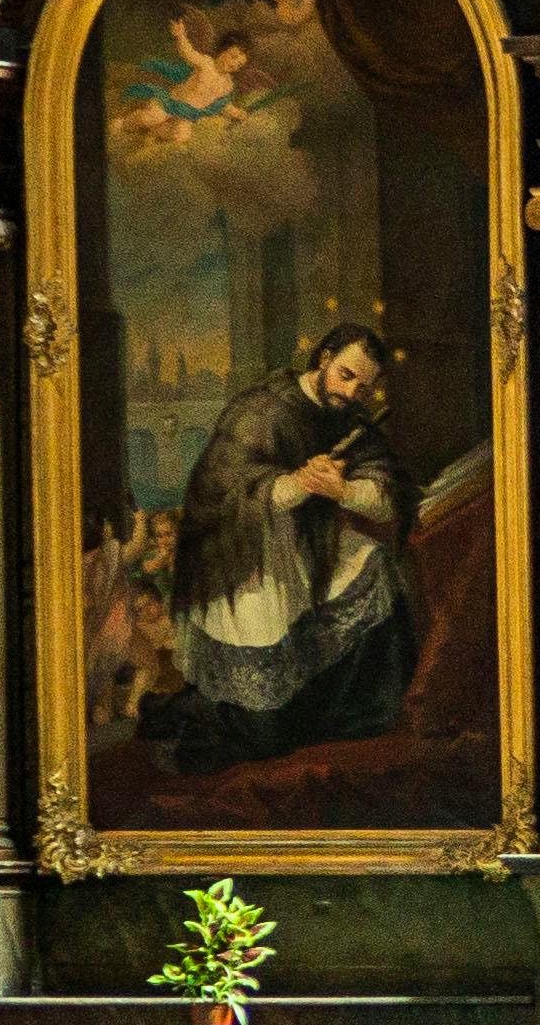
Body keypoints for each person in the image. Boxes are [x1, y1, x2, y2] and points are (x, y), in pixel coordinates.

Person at [147, 316, 419, 773]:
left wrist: (344, 491)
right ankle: (191, 711)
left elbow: (386, 493)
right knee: (262, 733)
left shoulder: (348, 415)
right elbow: (219, 491)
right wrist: (296, 483)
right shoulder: (262, 410)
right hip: (246, 551)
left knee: (378, 567)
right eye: (346, 375)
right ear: (324, 359)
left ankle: (352, 715)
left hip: (310, 544)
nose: (352, 393)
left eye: (363, 386)